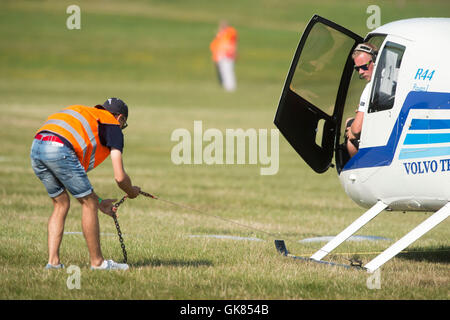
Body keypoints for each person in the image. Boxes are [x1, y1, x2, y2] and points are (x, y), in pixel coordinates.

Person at [30, 98, 141, 270]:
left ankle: (53, 263)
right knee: (88, 204)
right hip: (60, 147)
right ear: (120, 119)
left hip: (37, 145)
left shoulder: (89, 114)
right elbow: (120, 177)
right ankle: (98, 263)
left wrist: (100, 203)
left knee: (61, 203)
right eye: (123, 123)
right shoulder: (113, 126)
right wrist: (132, 191)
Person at [345, 43, 378, 157]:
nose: (361, 72)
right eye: (357, 68)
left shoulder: (371, 87)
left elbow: (357, 129)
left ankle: (357, 171)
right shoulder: (393, 76)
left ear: (375, 61)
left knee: (349, 125)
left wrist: (350, 132)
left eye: (364, 67)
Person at [209, 20, 238, 92]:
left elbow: (231, 42)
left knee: (228, 70)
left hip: (228, 54)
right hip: (221, 54)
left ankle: (231, 86)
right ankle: (226, 85)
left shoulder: (230, 32)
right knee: (223, 71)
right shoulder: (222, 33)